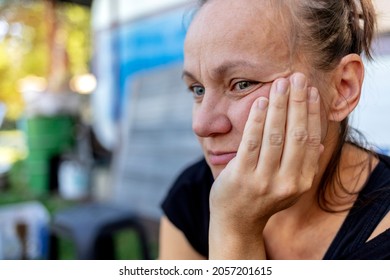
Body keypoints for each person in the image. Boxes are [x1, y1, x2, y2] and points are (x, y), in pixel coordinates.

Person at [159, 0, 390, 259]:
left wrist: (236, 230)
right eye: (198, 89)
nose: (201, 125)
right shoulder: (194, 193)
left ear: (342, 88)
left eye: (243, 84)